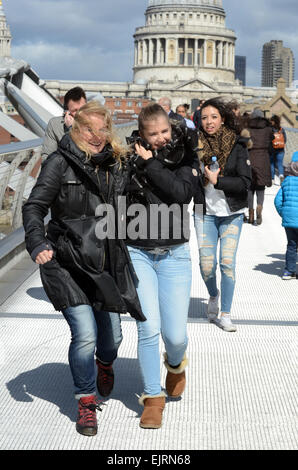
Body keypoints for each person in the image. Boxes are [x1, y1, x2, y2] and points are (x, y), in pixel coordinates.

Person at [22, 101, 145, 437]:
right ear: (75, 129)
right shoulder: (59, 163)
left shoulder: (118, 165)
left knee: (113, 339)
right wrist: (37, 244)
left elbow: (137, 203)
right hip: (67, 261)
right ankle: (85, 402)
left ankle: (105, 364)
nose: (96, 136)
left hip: (106, 264)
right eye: (88, 129)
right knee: (85, 334)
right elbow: (34, 207)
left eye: (102, 129)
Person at [125, 103, 201, 429]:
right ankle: (152, 398)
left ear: (171, 130)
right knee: (147, 328)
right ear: (141, 135)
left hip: (174, 254)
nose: (159, 138)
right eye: (152, 134)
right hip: (138, 251)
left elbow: (181, 194)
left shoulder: (185, 157)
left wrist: (150, 164)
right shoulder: (129, 160)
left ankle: (175, 364)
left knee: (175, 335)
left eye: (164, 132)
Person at [193, 98, 252, 332]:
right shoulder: (194, 146)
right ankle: (213, 295)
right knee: (207, 265)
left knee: (227, 264)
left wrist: (219, 181)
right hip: (203, 212)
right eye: (205, 118)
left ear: (223, 119)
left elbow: (245, 182)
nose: (209, 122)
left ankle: (226, 313)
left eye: (214, 117)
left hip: (232, 212)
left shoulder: (238, 145)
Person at [41, 86, 87, 159]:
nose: (80, 113)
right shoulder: (55, 125)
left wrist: (71, 129)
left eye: (83, 109)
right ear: (66, 112)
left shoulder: (94, 123)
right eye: (75, 110)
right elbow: (47, 156)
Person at [274, 151, 298, 280]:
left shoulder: (287, 180)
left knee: (292, 245)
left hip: (289, 220)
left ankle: (289, 271)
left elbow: (277, 200)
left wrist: (283, 213)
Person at [247, 109, 273, 225]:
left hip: (250, 157)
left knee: (250, 187)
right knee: (260, 186)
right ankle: (259, 207)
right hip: (263, 158)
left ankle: (251, 213)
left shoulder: (247, 129)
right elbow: (271, 142)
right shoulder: (268, 129)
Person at [270, 114, 287, 184]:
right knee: (280, 164)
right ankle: (281, 175)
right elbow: (285, 139)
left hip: (272, 149)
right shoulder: (281, 129)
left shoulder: (270, 129)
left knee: (272, 164)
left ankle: (272, 179)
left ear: (273, 121)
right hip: (281, 149)